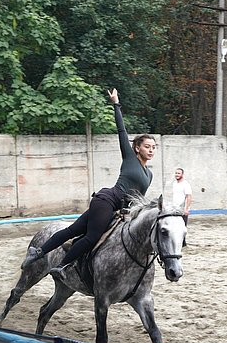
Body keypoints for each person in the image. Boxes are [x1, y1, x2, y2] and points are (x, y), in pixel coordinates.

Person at [23, 89, 157, 278]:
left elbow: (136, 199)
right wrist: (116, 103)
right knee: (92, 236)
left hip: (117, 210)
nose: (151, 150)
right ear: (137, 148)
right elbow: (121, 130)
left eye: (153, 147)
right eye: (147, 146)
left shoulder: (149, 174)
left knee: (73, 230)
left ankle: (38, 252)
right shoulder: (129, 158)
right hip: (107, 201)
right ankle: (61, 266)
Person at [171, 167, 192, 246]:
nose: (177, 175)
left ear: (182, 174)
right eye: (176, 173)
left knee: (182, 227)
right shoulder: (174, 184)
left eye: (178, 173)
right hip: (175, 208)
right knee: (174, 226)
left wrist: (186, 209)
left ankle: (183, 242)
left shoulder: (186, 184)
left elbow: (189, 197)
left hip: (182, 209)